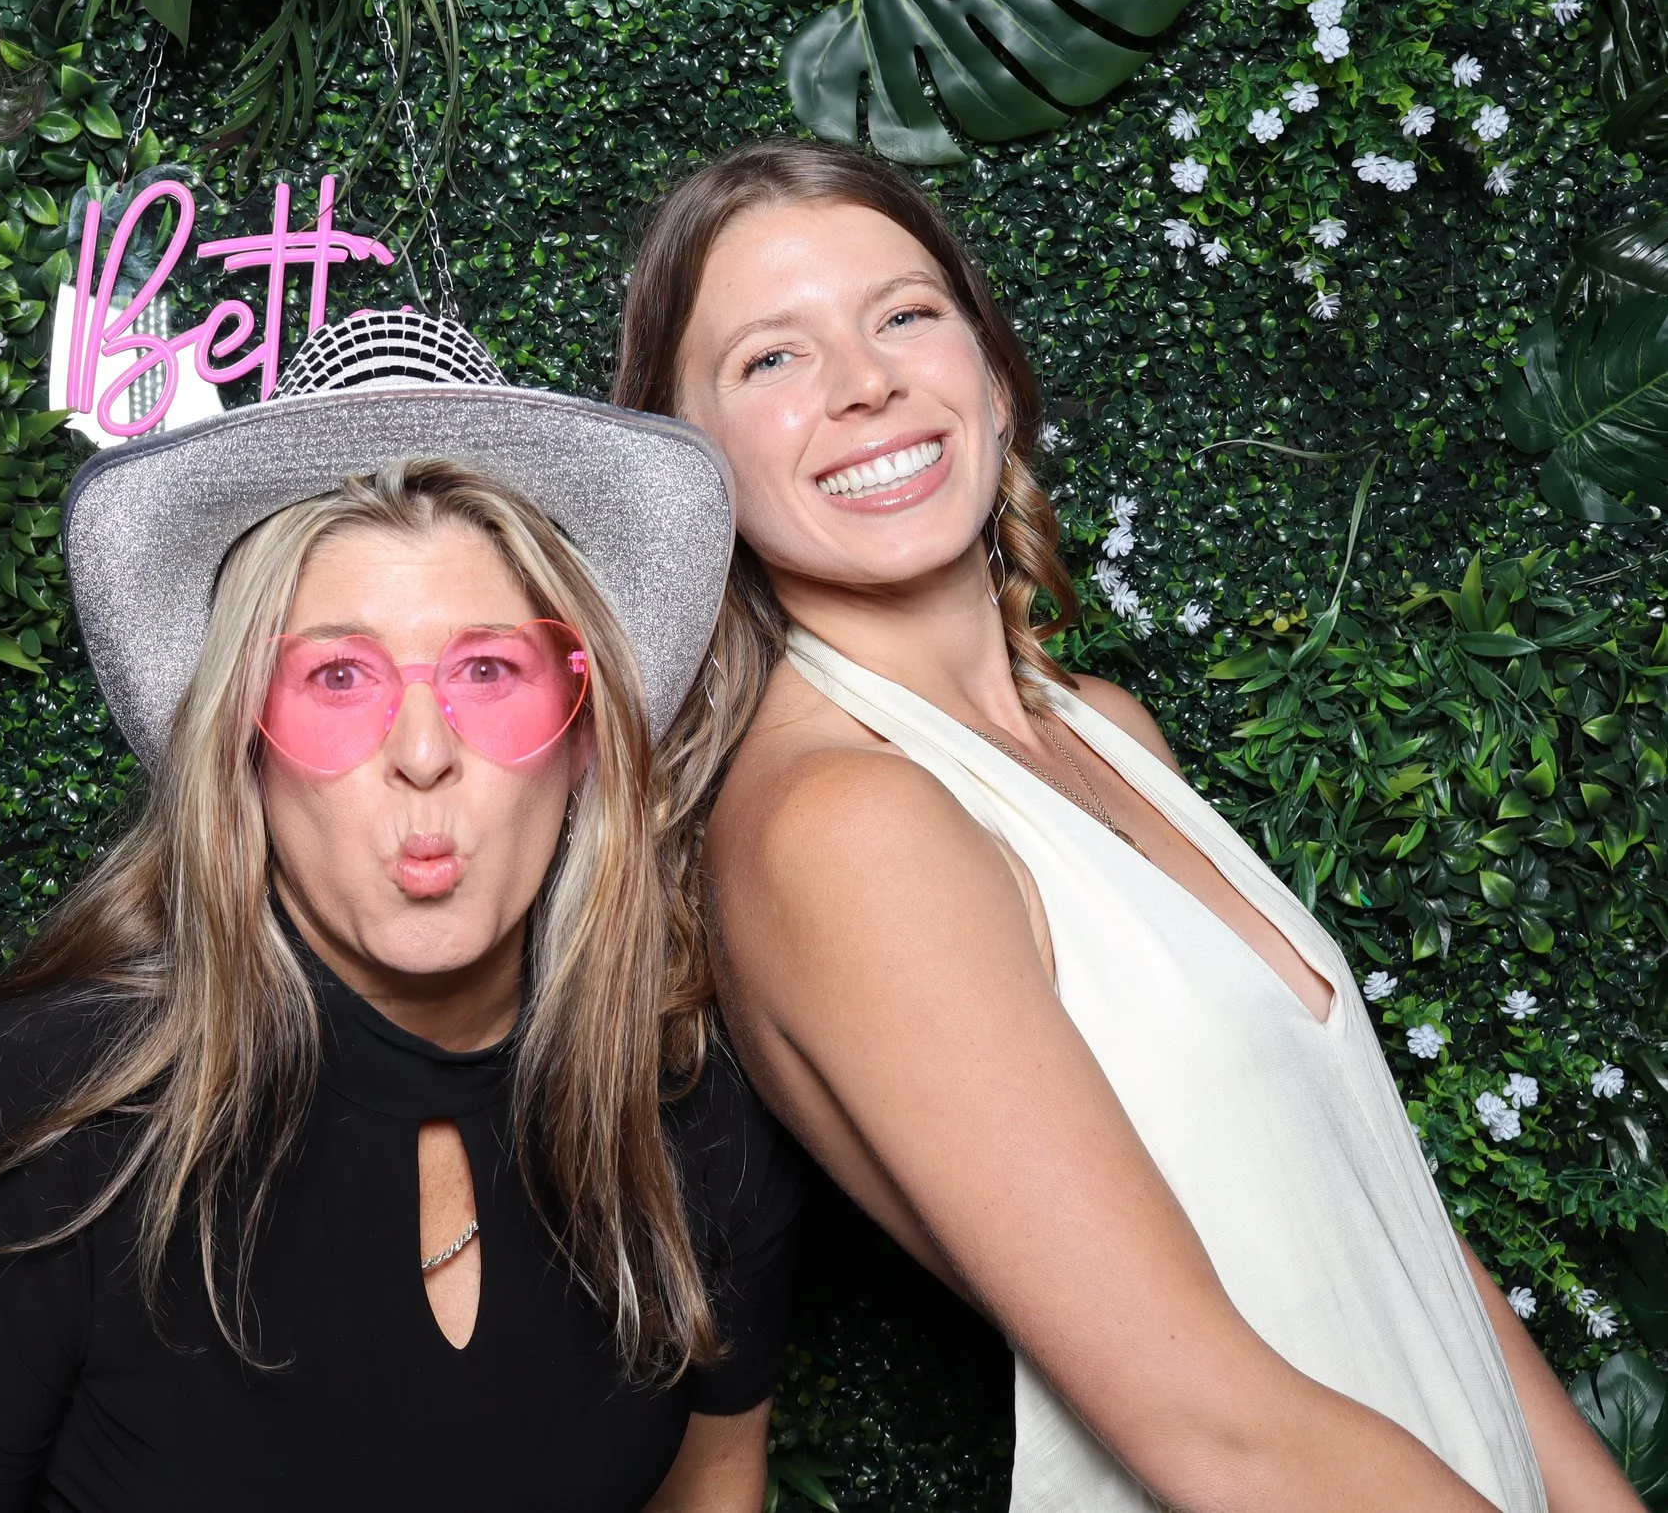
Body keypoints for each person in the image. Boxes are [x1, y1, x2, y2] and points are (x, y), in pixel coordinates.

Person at [612, 138, 1639, 1512]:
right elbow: (1206, 1424)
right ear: (693, 466)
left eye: (906, 314)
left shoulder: (1098, 724)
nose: (867, 382)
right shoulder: (841, 819)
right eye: (771, 360)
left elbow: (1389, 1231)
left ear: (987, 359)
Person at [0, 316, 808, 1512]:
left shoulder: (690, 1101)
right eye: (337, 677)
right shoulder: (55, 1112)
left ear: (582, 739)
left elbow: (713, 1487)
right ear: (239, 750)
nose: (422, 752)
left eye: (488, 671)